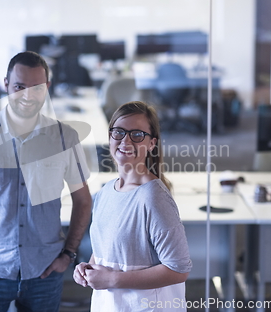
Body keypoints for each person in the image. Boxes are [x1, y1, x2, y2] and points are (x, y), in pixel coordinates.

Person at [0, 51, 92, 312]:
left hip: (44, 270)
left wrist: (68, 254)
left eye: (36, 88)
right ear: (6, 84)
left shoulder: (65, 137)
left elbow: (83, 200)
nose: (27, 96)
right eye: (19, 87)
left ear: (47, 88)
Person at [73, 101, 192, 311]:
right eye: (118, 132)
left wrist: (112, 280)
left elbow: (178, 270)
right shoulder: (105, 193)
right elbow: (105, 251)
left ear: (152, 143)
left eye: (137, 135)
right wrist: (87, 268)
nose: (125, 141)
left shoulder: (154, 197)